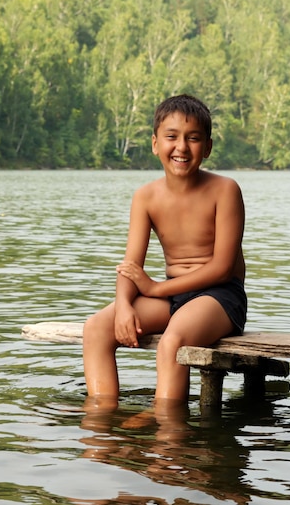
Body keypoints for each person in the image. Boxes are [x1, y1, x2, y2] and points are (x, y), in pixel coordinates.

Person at [83, 94, 246, 411]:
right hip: (173, 297)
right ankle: (102, 416)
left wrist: (155, 288)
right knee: (96, 327)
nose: (182, 147)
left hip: (220, 297)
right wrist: (123, 306)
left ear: (208, 147)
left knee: (173, 341)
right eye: (171, 137)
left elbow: (223, 268)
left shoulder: (225, 190)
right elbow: (131, 264)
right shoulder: (146, 196)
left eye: (193, 138)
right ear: (155, 143)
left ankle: (166, 429)